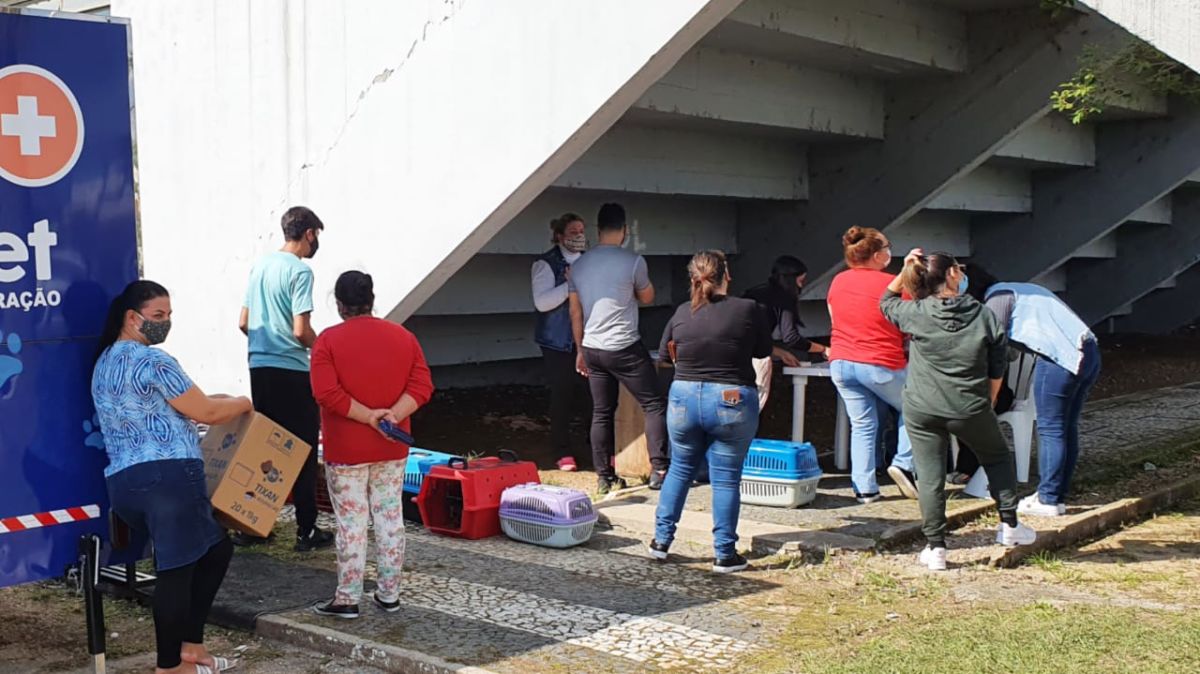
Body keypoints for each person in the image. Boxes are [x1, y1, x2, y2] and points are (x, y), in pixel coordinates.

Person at [92, 280, 253, 674]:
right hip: (169, 479)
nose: (165, 324)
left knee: (216, 551)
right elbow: (207, 414)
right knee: (176, 571)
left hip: (126, 483)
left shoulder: (104, 363)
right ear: (133, 318)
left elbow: (191, 404)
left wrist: (218, 402)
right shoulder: (154, 362)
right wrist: (245, 402)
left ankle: (192, 648)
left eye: (169, 316)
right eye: (158, 316)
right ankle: (171, 666)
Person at [879, 249, 1037, 571]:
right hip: (969, 405)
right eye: (958, 268)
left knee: (931, 475)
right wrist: (990, 400)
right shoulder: (983, 315)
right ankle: (1009, 526)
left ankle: (935, 547)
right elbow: (997, 366)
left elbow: (886, 302)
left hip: (922, 406)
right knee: (996, 457)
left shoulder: (917, 313)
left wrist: (905, 268)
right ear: (952, 274)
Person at [309, 271, 434, 618]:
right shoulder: (403, 336)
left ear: (339, 304)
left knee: (352, 522)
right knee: (390, 517)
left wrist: (368, 417)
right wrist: (391, 416)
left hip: (346, 448)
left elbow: (326, 393)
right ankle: (389, 593)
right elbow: (422, 385)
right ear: (371, 299)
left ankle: (347, 596)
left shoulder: (328, 341)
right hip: (392, 446)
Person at [650, 251, 772, 574]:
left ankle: (660, 542)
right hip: (730, 398)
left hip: (683, 396)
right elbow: (763, 350)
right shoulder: (748, 309)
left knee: (679, 468)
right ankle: (724, 554)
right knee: (726, 478)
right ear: (726, 275)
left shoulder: (680, 312)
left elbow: (664, 356)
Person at [967, 266, 1102, 517]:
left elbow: (992, 348)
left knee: (1050, 429)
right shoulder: (1022, 289)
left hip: (1057, 360)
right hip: (1088, 350)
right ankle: (1056, 495)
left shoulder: (996, 299)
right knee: (1065, 428)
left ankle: (1048, 499)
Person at [237, 206, 334, 551]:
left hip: (259, 368)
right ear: (308, 233)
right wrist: (326, 349)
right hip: (291, 370)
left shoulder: (260, 265)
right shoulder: (300, 272)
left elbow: (244, 322)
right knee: (303, 449)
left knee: (264, 446)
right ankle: (306, 530)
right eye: (317, 236)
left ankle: (250, 524)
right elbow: (300, 330)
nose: (316, 243)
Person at [569, 202, 670, 493]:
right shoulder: (633, 261)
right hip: (624, 346)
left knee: (602, 411)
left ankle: (604, 476)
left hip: (592, 347)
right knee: (653, 403)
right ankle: (659, 469)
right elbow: (648, 296)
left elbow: (575, 313)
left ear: (597, 230)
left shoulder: (578, 266)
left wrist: (580, 351)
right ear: (624, 231)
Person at [826, 227, 918, 503]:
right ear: (878, 255)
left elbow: (835, 319)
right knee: (918, 406)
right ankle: (903, 462)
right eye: (888, 247)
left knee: (863, 425)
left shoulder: (837, 281)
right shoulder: (893, 285)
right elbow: (908, 325)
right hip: (880, 362)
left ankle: (865, 488)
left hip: (841, 362)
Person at [531, 212, 591, 471]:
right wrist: (570, 287)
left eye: (582, 231)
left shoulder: (590, 261)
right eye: (573, 232)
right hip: (557, 341)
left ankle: (594, 446)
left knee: (592, 396)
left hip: (588, 338)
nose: (579, 236)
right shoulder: (545, 264)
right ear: (559, 236)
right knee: (562, 395)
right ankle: (561, 449)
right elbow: (542, 302)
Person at [742, 255, 828, 410]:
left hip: (731, 355)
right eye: (800, 281)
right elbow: (791, 338)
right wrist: (823, 349)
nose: (801, 286)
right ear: (791, 280)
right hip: (754, 359)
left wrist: (779, 352)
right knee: (752, 407)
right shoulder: (784, 298)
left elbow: (748, 336)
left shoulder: (754, 292)